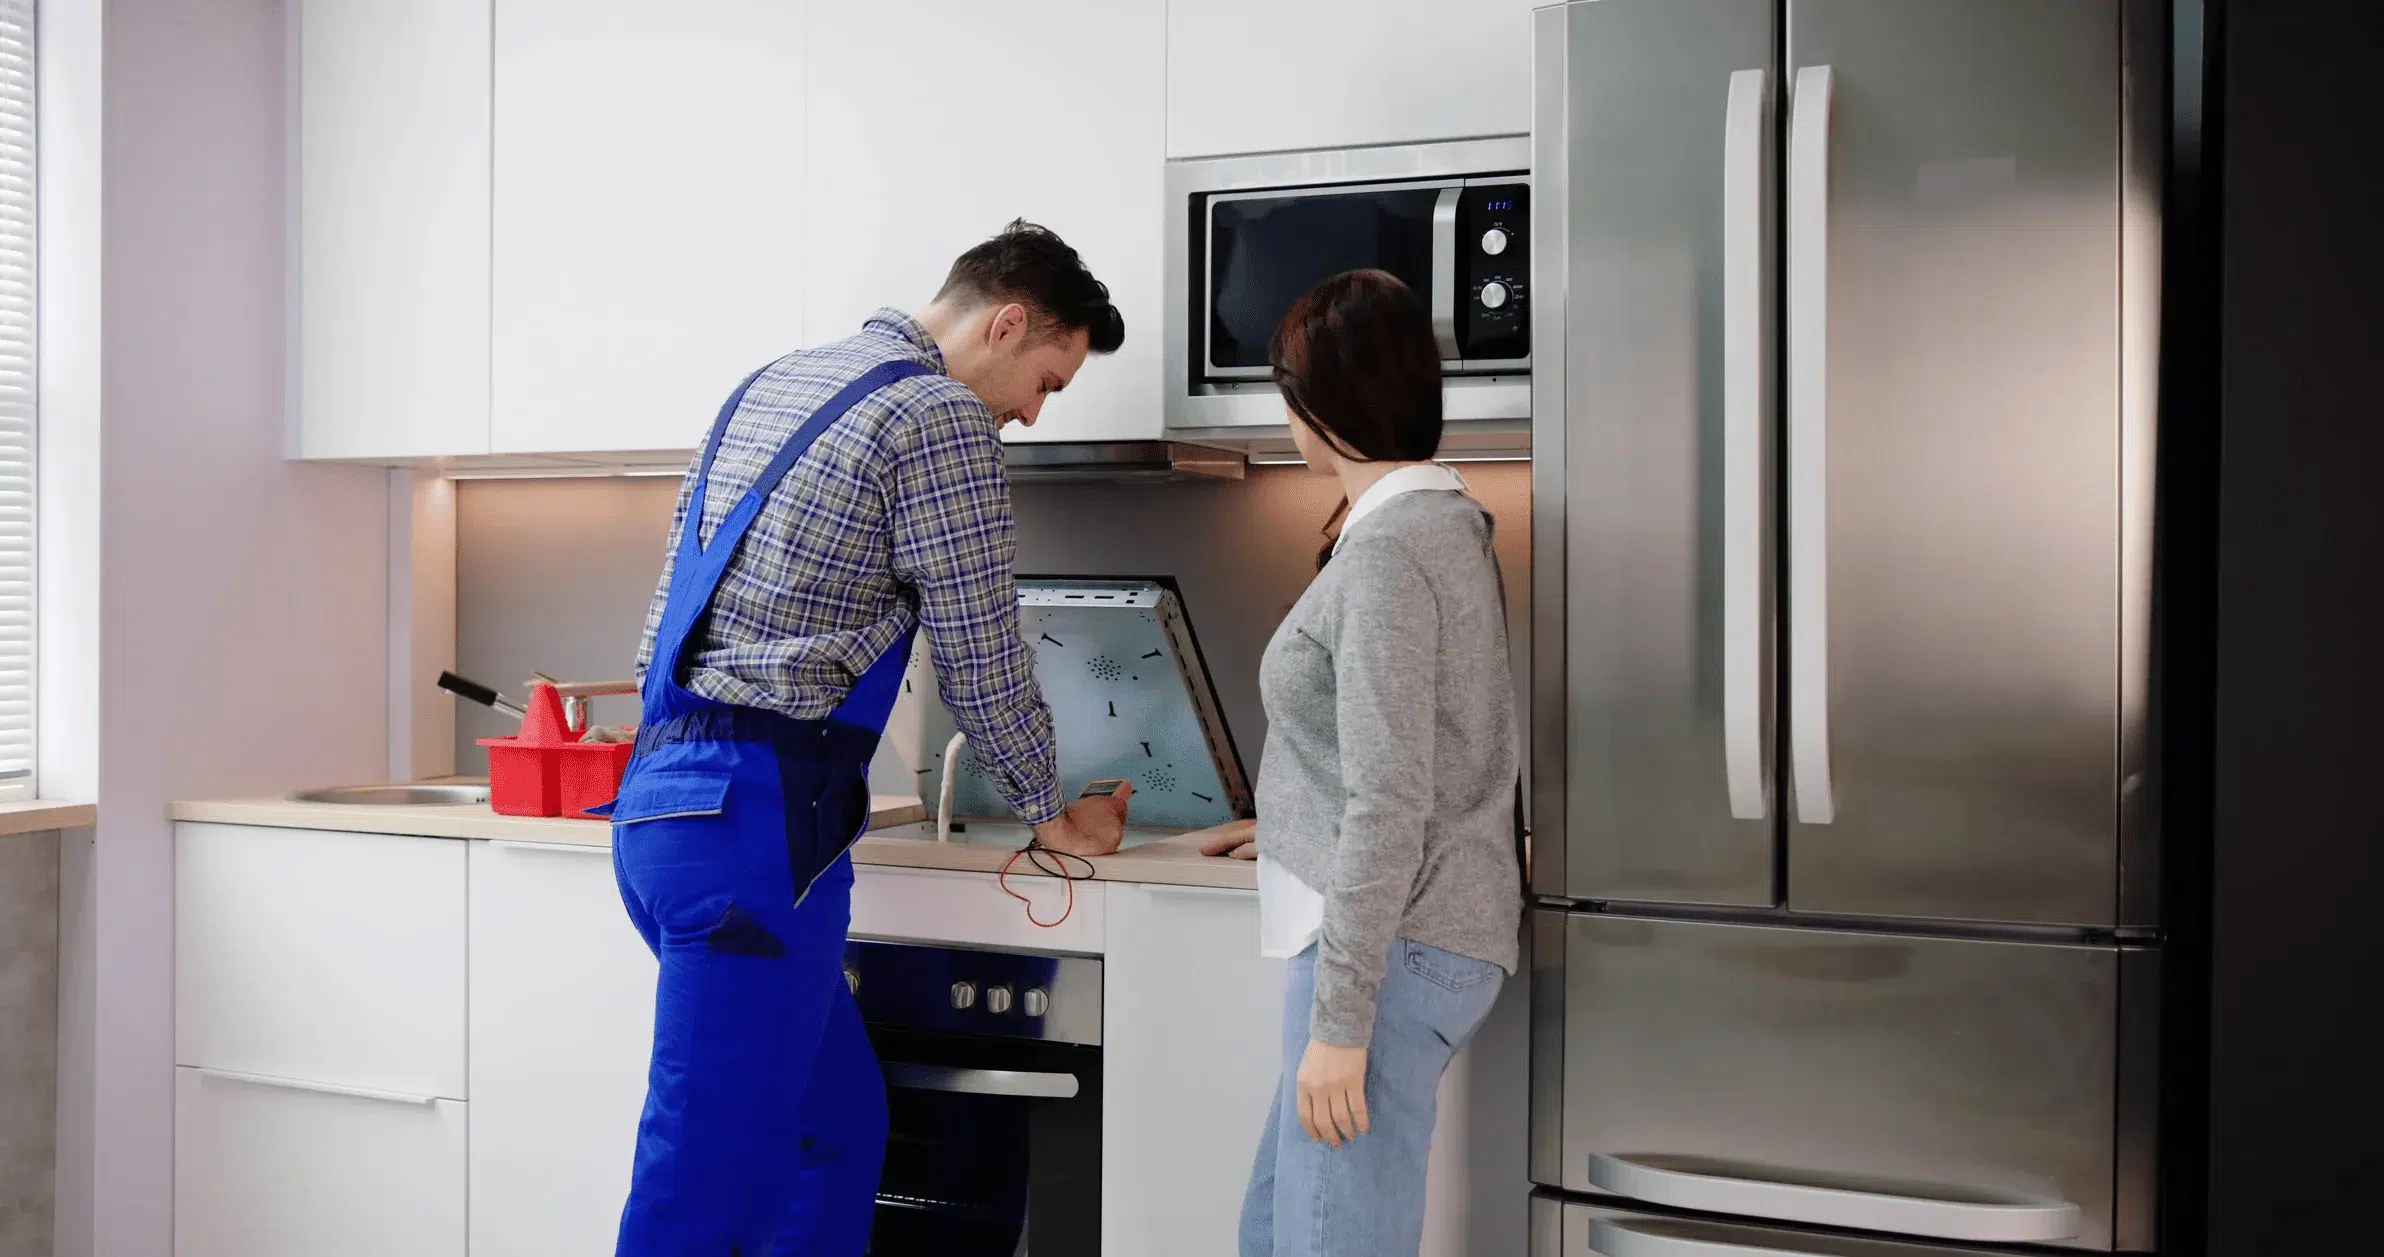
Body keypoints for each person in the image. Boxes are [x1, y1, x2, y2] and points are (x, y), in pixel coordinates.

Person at [606, 219, 1136, 1257]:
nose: (1030, 412)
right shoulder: (937, 415)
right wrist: (1048, 810)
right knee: (702, 1183)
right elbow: (980, 646)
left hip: (664, 808)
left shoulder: (775, 381)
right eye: (1046, 380)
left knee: (832, 1129)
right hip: (756, 835)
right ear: (1008, 322)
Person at [1202, 268, 1524, 1257]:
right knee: (1274, 1231)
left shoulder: (1389, 553)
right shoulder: (1435, 524)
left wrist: (1341, 1022)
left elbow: (1391, 795)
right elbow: (1397, 752)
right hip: (1411, 935)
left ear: (1319, 406)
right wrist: (1289, 820)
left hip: (1387, 956)